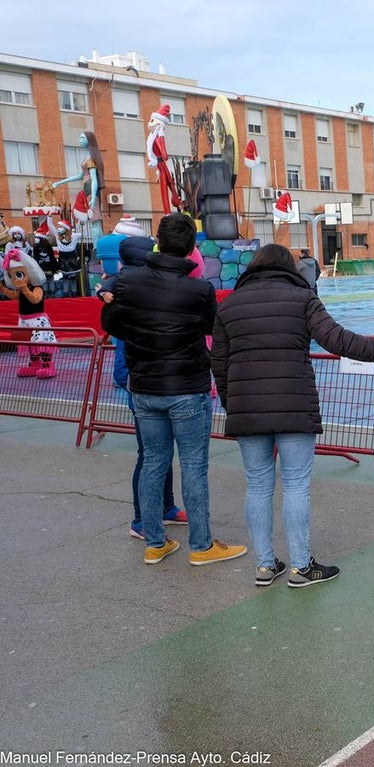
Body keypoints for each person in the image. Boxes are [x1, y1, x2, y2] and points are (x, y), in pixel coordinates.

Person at [211, 244, 374, 587]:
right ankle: (301, 567)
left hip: (246, 411)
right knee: (294, 485)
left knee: (258, 486)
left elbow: (219, 362)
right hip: (293, 406)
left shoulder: (229, 305)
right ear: (289, 269)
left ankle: (264, 566)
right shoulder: (301, 298)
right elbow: (338, 340)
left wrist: (235, 404)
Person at [101, 212, 246, 567]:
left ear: (159, 241)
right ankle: (202, 545)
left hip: (145, 386)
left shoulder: (127, 282)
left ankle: (154, 541)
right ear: (190, 248)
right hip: (187, 387)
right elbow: (214, 327)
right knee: (194, 466)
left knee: (153, 462)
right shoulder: (199, 289)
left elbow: (111, 324)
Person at [99, 234, 188, 538]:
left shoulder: (134, 283)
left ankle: (166, 507)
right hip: (140, 381)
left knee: (161, 450)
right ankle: (141, 519)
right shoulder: (129, 284)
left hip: (149, 378)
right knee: (150, 453)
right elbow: (111, 287)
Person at [1, 247, 57, 378]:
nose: (15, 279)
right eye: (11, 275)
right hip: (24, 320)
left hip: (37, 320)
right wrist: (3, 290)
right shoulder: (21, 289)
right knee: (30, 345)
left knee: (41, 343)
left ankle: (48, 365)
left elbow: (35, 299)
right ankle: (34, 364)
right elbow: (16, 297)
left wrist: (25, 289)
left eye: (18, 274)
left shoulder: (37, 288)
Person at [52, 130, 105, 231]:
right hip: (87, 190)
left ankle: (97, 246)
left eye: (82, 138)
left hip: (90, 190)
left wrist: (93, 198)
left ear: (89, 140)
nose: (79, 140)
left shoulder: (91, 159)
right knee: (93, 220)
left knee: (95, 221)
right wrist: (60, 182)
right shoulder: (87, 158)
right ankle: (96, 245)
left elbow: (94, 179)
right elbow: (79, 175)